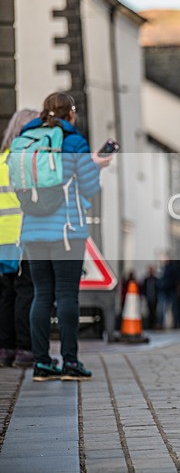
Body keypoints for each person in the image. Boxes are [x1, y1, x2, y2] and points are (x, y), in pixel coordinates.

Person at [23, 93, 111, 381]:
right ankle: (70, 362)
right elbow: (89, 188)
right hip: (66, 231)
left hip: (33, 231)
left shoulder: (28, 138)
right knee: (66, 295)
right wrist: (96, 166)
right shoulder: (73, 142)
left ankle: (42, 363)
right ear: (70, 113)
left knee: (41, 295)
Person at [0, 109, 39, 368]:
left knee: (6, 295)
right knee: (26, 292)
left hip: (2, 239)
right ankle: (25, 348)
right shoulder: (25, 163)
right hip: (22, 236)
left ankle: (5, 349)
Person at [158, 257, 179, 329]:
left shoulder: (172, 268)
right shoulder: (162, 269)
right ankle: (161, 323)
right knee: (162, 308)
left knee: (174, 308)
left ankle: (176, 323)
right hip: (164, 290)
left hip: (171, 290)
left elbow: (176, 279)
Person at [141, 265, 159, 329]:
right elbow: (143, 289)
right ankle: (150, 325)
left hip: (154, 298)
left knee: (154, 312)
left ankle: (154, 324)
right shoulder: (146, 280)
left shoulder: (156, 279)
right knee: (149, 311)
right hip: (148, 298)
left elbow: (158, 288)